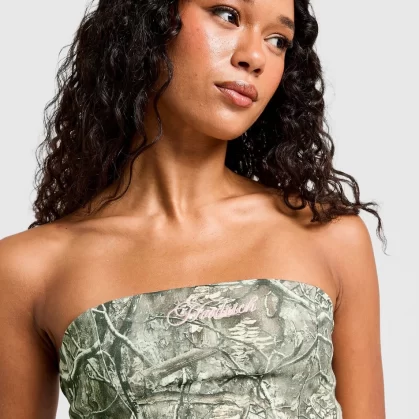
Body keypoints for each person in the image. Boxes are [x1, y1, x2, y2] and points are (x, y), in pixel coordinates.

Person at [0, 0, 387, 417]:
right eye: (227, 15)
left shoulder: (331, 238)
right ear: (149, 20)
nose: (254, 57)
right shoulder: (30, 270)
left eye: (278, 40)